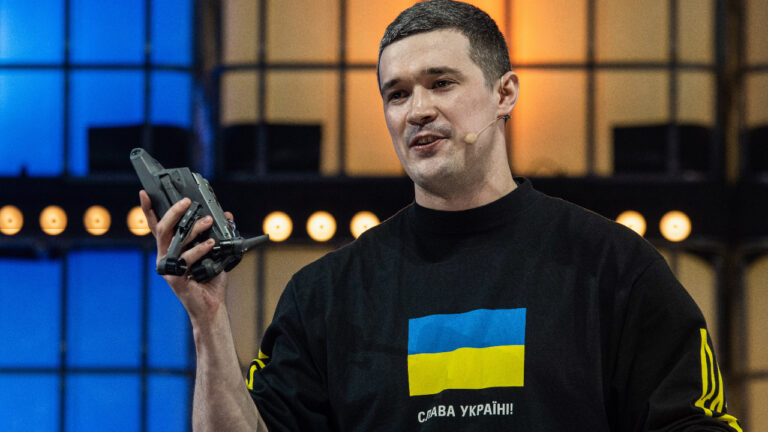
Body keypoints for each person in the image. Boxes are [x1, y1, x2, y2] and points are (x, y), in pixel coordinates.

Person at [140, 1, 743, 430]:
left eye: (441, 83)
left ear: (505, 93)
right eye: (397, 94)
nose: (417, 110)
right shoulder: (324, 295)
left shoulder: (616, 268)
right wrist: (208, 320)